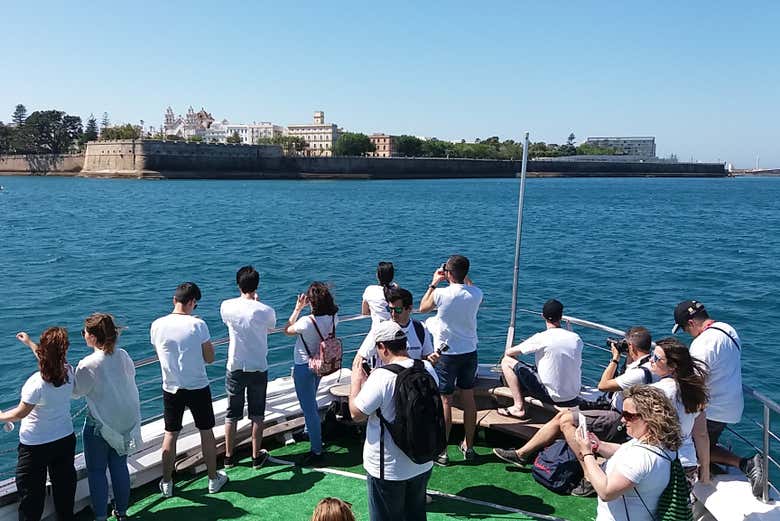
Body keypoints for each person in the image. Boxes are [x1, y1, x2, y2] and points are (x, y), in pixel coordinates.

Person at [494, 326, 655, 468]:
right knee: (563, 415)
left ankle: (587, 472)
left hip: (618, 418)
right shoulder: (648, 365)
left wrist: (615, 358)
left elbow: (603, 385)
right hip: (616, 408)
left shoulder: (637, 373)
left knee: (565, 420)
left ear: (631, 347)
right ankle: (522, 454)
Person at [672, 300, 763, 496]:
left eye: (686, 329)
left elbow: (696, 381)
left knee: (692, 448)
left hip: (713, 408)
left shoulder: (702, 344)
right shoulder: (727, 329)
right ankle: (715, 463)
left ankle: (746, 464)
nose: (688, 333)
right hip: (732, 404)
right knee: (707, 444)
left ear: (691, 323)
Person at [349, 321, 438, 521]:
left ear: (382, 347)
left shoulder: (381, 377)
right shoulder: (427, 368)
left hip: (387, 468)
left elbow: (356, 413)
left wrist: (356, 382)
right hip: (422, 461)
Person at [150, 281, 228, 497]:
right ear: (193, 302)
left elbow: (159, 352)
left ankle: (167, 483)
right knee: (206, 431)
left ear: (175, 300)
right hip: (197, 386)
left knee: (170, 433)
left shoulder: (157, 325)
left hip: (171, 386)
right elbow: (210, 358)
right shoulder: (198, 325)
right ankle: (213, 479)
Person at [571, 385, 682, 521]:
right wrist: (599, 446)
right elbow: (623, 451)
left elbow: (606, 491)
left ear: (648, 418)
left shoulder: (640, 457)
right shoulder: (660, 444)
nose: (623, 420)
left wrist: (587, 453)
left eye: (628, 415)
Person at [0, 328, 76, 521]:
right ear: (63, 351)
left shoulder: (36, 383)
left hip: (35, 447)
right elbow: (50, 359)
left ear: (44, 351)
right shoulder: (68, 371)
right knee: (65, 492)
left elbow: (20, 413)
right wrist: (29, 343)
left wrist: (1, 416)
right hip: (64, 439)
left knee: (31, 498)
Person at [73, 313, 142, 521]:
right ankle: (121, 512)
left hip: (100, 425)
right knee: (119, 466)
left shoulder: (88, 364)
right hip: (124, 421)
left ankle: (101, 516)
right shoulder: (122, 354)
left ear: (93, 337)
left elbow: (76, 392)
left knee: (96, 471)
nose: (83, 335)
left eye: (84, 332)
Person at [419, 255, 483, 465]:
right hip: (469, 352)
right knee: (468, 398)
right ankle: (469, 447)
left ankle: (443, 451)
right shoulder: (476, 293)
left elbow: (423, 307)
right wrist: (459, 275)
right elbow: (469, 286)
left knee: (446, 401)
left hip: (446, 354)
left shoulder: (440, 293)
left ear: (448, 273)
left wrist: (433, 282)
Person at [220, 266, 276, 470]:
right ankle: (255, 457)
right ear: (257, 286)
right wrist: (257, 303)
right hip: (258, 366)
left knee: (231, 413)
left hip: (235, 365)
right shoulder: (265, 310)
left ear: (238, 284)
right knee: (257, 414)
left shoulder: (226, 306)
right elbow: (270, 326)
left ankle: (228, 457)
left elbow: (228, 321)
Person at [285, 281, 339, 466]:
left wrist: (297, 308)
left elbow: (287, 329)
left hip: (303, 366)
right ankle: (309, 431)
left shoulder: (306, 322)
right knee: (311, 400)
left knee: (309, 409)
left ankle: (316, 450)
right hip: (320, 364)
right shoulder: (333, 317)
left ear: (311, 302)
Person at [499, 299, 582, 420]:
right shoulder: (576, 339)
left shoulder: (541, 338)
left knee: (506, 361)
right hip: (572, 395)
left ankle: (518, 407)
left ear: (542, 316)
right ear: (561, 316)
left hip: (550, 396)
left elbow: (509, 352)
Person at [649, 337, 711, 486]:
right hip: (687, 464)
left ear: (672, 366)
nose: (651, 360)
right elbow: (701, 434)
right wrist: (705, 469)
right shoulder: (695, 392)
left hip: (661, 461)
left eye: (656, 358)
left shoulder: (656, 392)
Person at [353, 287, 437, 372]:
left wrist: (432, 360)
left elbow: (426, 357)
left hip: (412, 381)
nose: (393, 314)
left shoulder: (420, 328)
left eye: (398, 310)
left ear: (409, 308)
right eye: (390, 309)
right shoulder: (381, 329)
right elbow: (359, 359)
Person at [362, 261, 397, 328]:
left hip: (378, 330)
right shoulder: (396, 291)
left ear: (377, 275)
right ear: (392, 277)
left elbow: (365, 312)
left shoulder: (369, 290)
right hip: (397, 329)